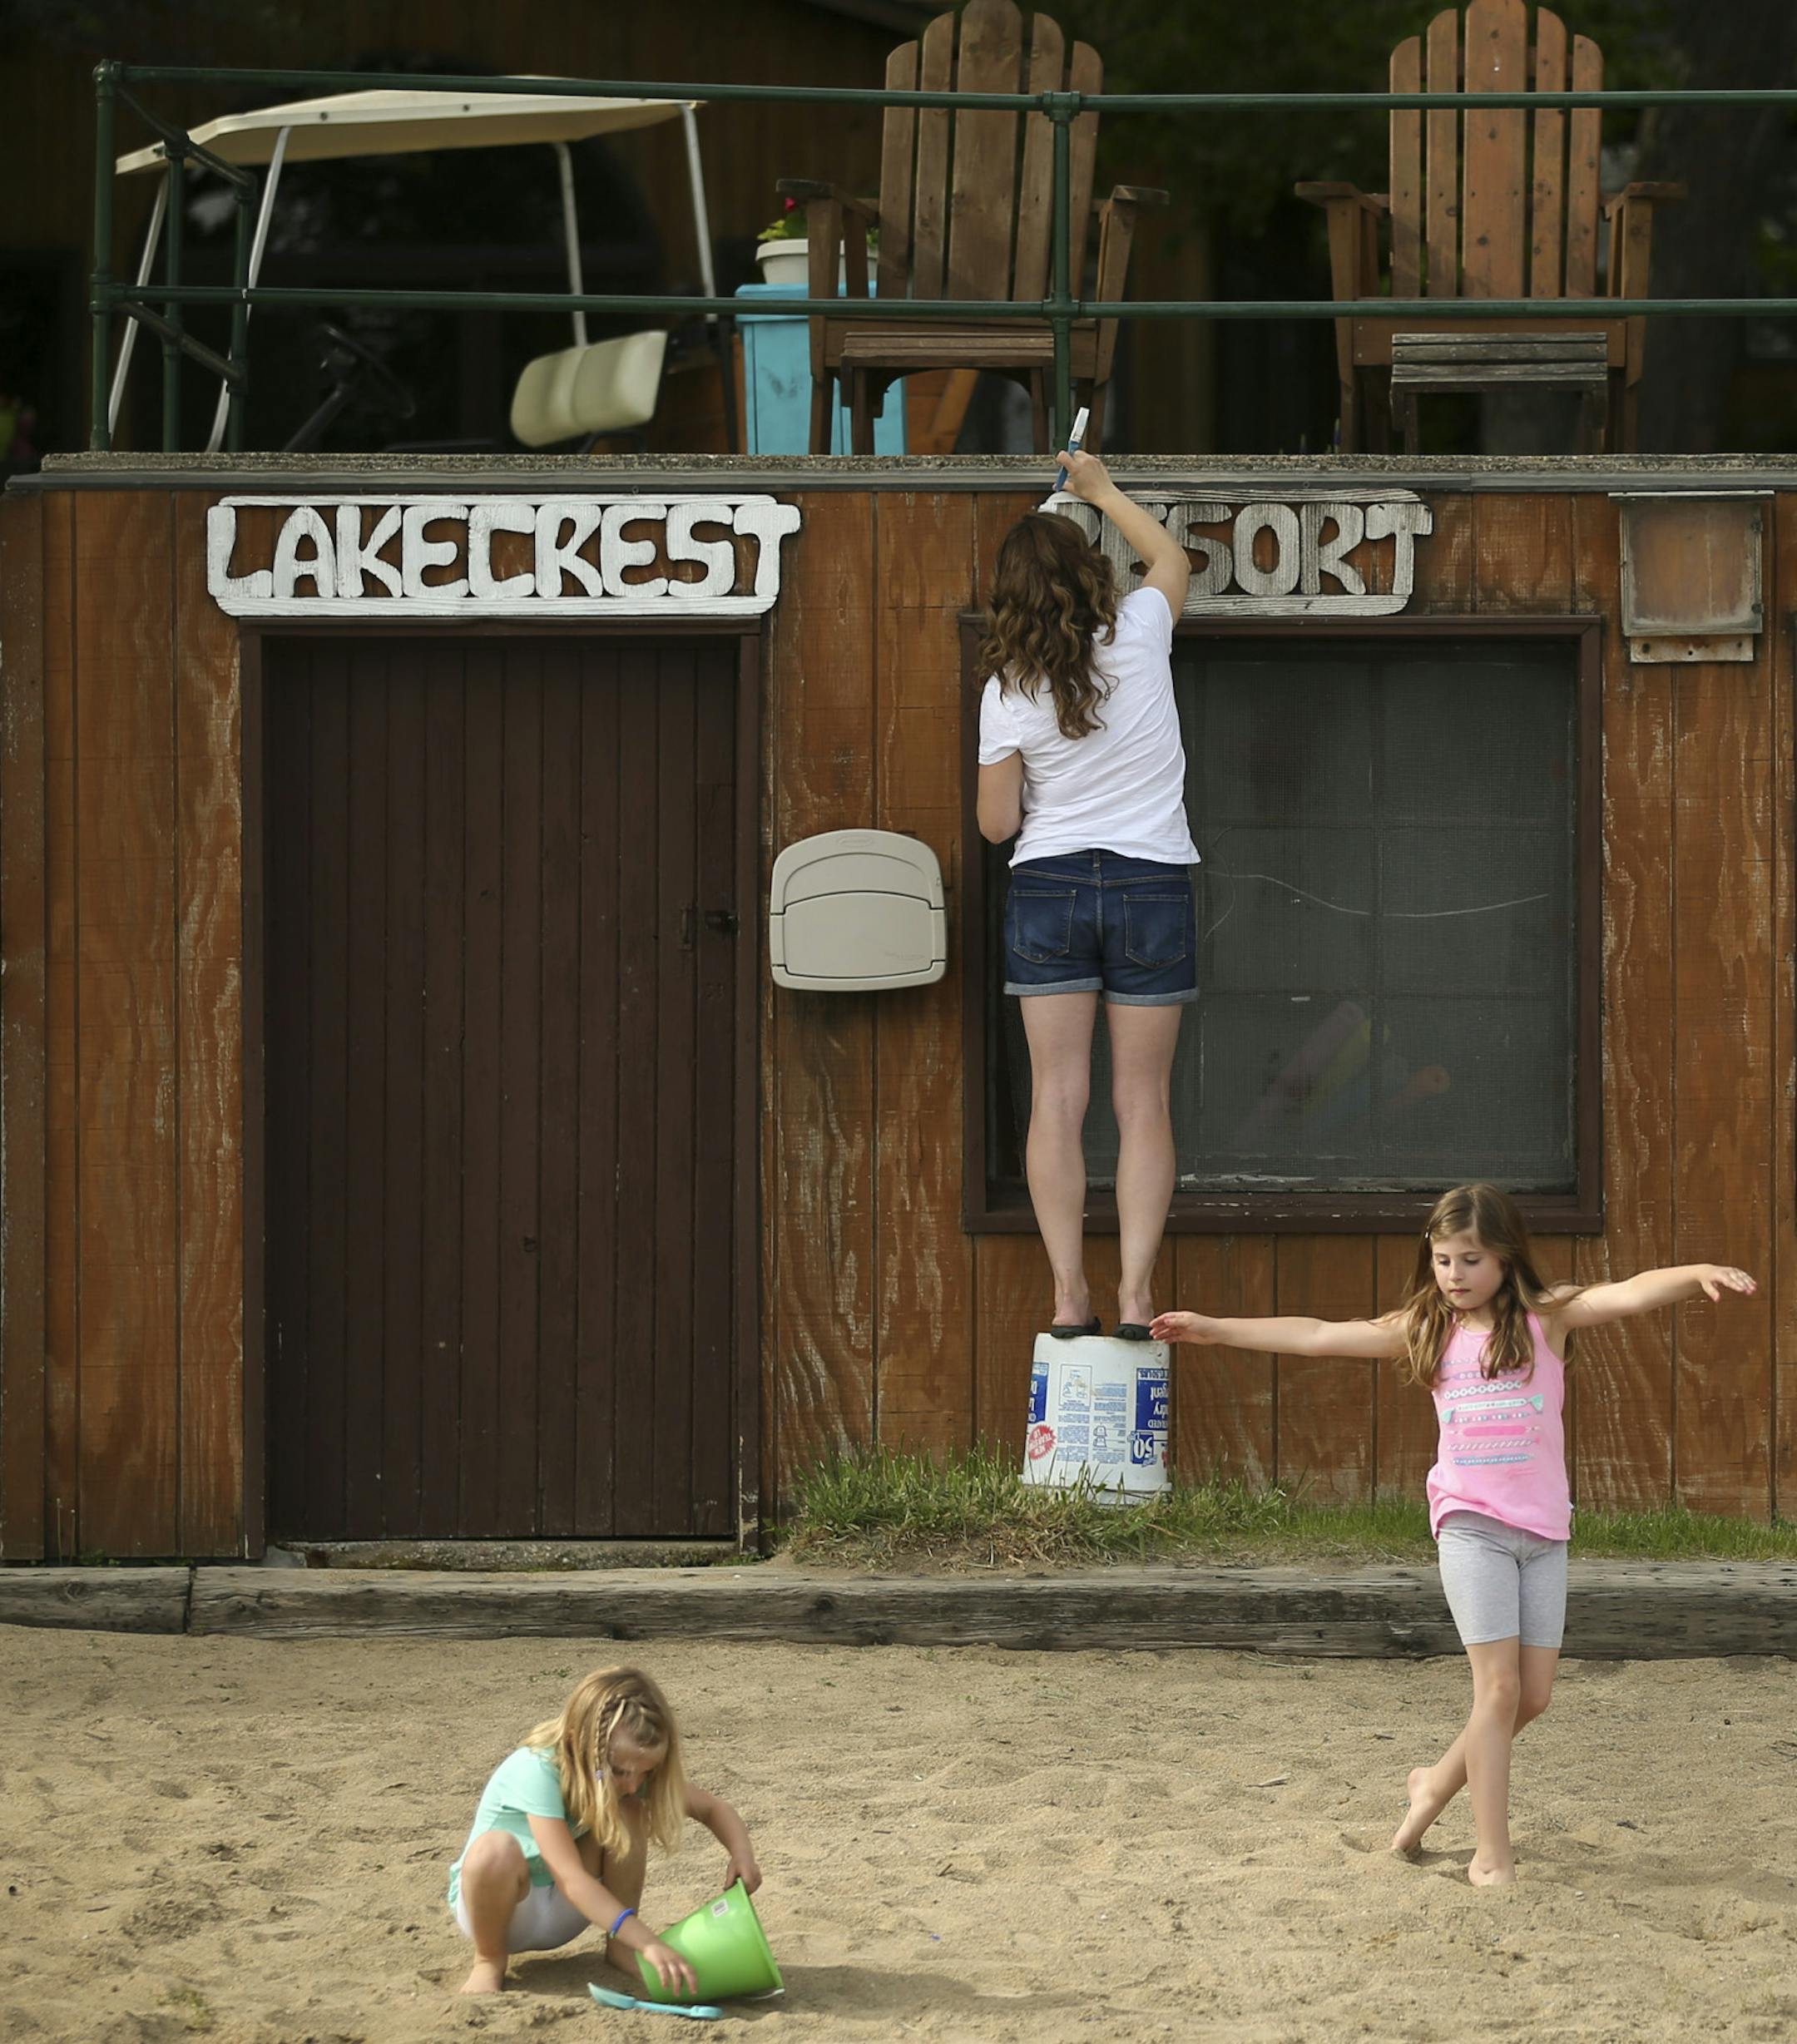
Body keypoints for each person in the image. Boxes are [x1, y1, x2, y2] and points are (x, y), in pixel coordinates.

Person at [1149, 1182, 1756, 1887]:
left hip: (1544, 1534)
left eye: (1469, 1259)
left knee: (1532, 1697)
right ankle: (1492, 1853)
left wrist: (1696, 1275)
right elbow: (1318, 1335)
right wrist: (1216, 1326)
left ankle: (1434, 1785)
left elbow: (1627, 1291)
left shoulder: (1544, 1316)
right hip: (1471, 1528)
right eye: (1441, 1259)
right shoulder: (1427, 1328)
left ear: (1504, 1256)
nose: (1453, 1275)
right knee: (1495, 1690)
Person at [976, 451, 1196, 1339]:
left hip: (1048, 889)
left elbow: (996, 827)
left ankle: (1071, 1296)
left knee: (1056, 1100)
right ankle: (1138, 1296)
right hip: (1151, 882)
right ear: (1090, 572)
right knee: (1142, 1102)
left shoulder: (1007, 689)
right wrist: (1102, 492)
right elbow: (1174, 562)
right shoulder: (1142, 630)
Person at [448, 1665, 761, 1995]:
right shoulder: (534, 1769)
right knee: (494, 1851)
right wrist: (649, 1941)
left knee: (629, 1811)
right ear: (577, 1743)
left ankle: (621, 1950)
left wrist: (742, 1855)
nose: (633, 1784)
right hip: (501, 1912)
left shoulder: (630, 1777)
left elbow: (715, 1808)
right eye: (620, 1772)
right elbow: (571, 1879)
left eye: (645, 1773)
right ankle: (488, 1961)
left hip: (562, 1912)